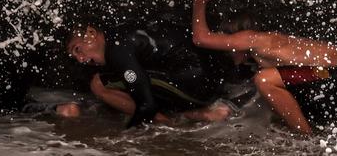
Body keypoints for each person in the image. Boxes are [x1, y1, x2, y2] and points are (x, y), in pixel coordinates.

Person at [191, 0, 337, 134]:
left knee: (264, 80)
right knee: (272, 93)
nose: (226, 51)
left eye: (227, 41)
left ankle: (306, 139)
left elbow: (201, 38)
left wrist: (199, 1)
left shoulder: (252, 38)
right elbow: (237, 108)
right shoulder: (269, 51)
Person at [64, 18, 242, 126]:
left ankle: (169, 122)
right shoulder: (120, 34)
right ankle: (202, 113)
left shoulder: (117, 50)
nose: (81, 60)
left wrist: (125, 140)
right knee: (135, 83)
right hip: (213, 79)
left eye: (78, 50)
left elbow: (146, 105)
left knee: (99, 84)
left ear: (90, 33)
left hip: (199, 84)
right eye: (74, 56)